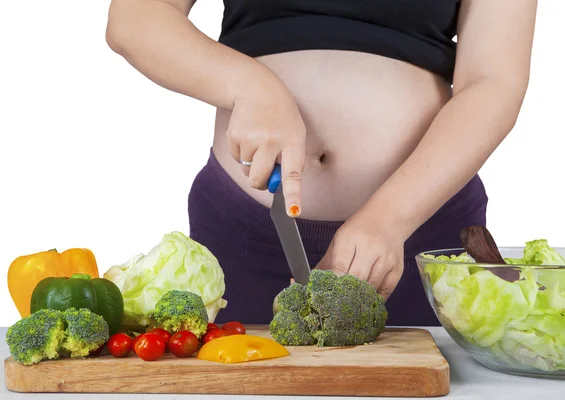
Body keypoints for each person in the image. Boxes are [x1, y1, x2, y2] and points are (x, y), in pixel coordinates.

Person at [105, 0, 537, 326]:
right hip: (249, 234)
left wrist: (391, 218)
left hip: (418, 235)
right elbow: (136, 17)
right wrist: (250, 86)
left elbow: (494, 80)